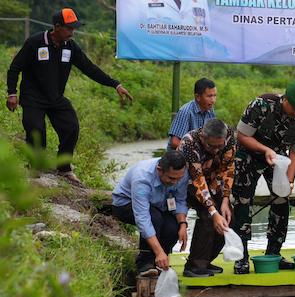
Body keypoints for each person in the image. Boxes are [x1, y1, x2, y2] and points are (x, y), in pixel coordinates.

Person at [6, 8, 132, 185]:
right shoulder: (35, 43)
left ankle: (64, 168)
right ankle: (35, 167)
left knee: (71, 127)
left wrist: (115, 84)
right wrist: (12, 93)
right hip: (32, 98)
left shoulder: (70, 47)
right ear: (57, 27)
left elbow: (89, 68)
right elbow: (15, 67)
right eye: (69, 28)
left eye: (74, 28)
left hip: (55, 98)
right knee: (36, 131)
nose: (72, 32)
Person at [231, 80, 295, 274]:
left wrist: (290, 180)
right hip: (248, 156)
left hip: (278, 160)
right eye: (294, 108)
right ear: (285, 99)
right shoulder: (260, 105)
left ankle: (273, 254)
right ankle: (240, 257)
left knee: (282, 200)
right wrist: (265, 149)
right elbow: (242, 136)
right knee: (243, 203)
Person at [112, 150, 189, 277]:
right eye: (171, 178)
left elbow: (180, 200)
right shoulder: (142, 177)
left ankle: (160, 262)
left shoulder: (181, 173)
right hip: (125, 204)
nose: (175, 182)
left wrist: (182, 224)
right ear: (159, 170)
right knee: (154, 218)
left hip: (158, 205)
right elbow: (143, 218)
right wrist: (158, 252)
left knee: (173, 226)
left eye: (178, 178)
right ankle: (145, 263)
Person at [177, 119, 235, 277]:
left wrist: (225, 199)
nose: (216, 150)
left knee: (228, 216)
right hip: (188, 183)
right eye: (211, 146)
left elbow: (228, 168)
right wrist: (213, 211)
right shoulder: (189, 143)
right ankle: (194, 266)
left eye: (219, 146)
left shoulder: (229, 136)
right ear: (203, 137)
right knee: (208, 216)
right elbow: (197, 180)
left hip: (213, 181)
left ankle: (206, 259)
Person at [167, 78, 217, 150]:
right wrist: (196, 151)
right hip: (180, 156)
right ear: (198, 97)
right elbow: (175, 142)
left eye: (214, 96)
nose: (213, 100)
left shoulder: (210, 110)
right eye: (209, 96)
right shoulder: (186, 112)